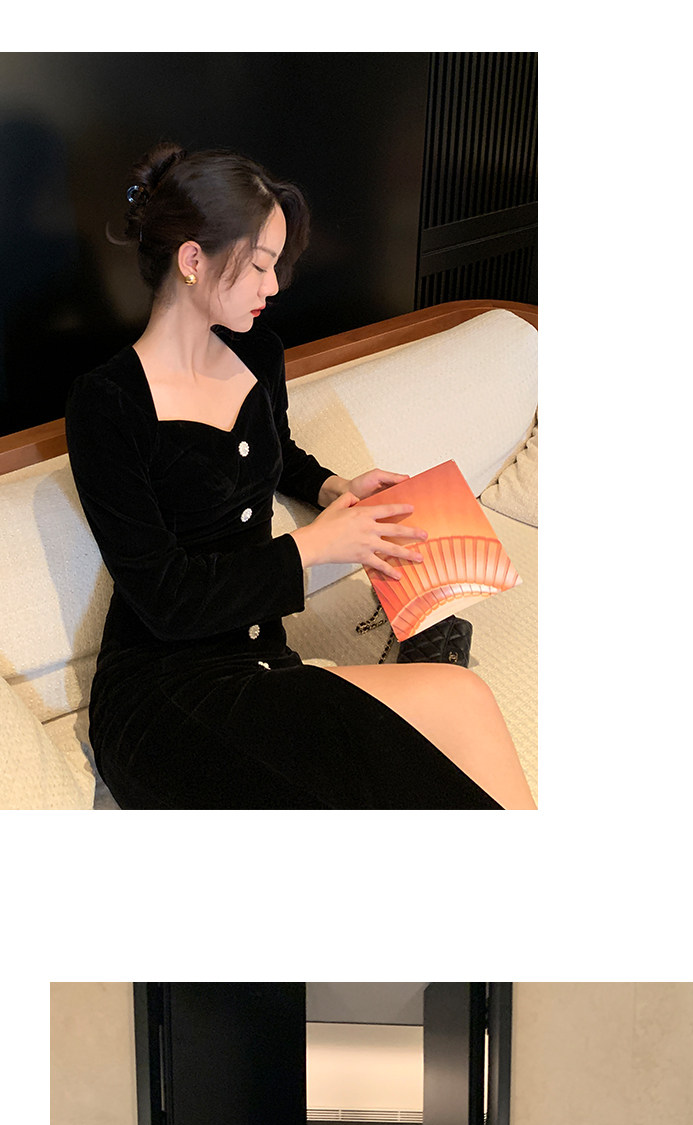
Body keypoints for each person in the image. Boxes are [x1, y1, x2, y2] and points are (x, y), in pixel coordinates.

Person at [65, 142, 535, 811]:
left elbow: (274, 450)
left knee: (464, 699)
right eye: (260, 264)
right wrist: (317, 545)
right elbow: (164, 599)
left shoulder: (259, 353)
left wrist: (334, 488)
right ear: (193, 260)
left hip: (262, 663)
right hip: (164, 694)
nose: (275, 286)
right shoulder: (107, 403)